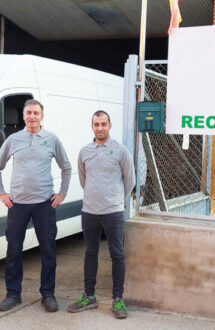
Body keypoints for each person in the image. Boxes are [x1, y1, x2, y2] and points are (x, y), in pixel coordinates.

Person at [0, 99, 71, 313]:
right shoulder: (14, 139)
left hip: (44, 204)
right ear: (23, 116)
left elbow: (67, 167)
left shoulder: (52, 139)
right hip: (18, 204)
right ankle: (12, 294)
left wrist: (62, 193)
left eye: (36, 113)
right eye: (28, 113)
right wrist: (1, 193)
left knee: (48, 251)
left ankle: (48, 294)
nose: (32, 116)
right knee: (14, 250)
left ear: (42, 116)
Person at [67, 110, 134, 319]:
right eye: (96, 124)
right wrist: (95, 197)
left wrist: (115, 199)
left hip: (113, 211)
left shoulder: (121, 151)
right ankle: (89, 296)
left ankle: (118, 299)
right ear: (92, 126)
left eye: (103, 124)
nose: (100, 128)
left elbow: (129, 180)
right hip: (90, 211)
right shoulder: (85, 151)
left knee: (117, 254)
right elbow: (84, 179)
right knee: (90, 253)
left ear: (110, 126)